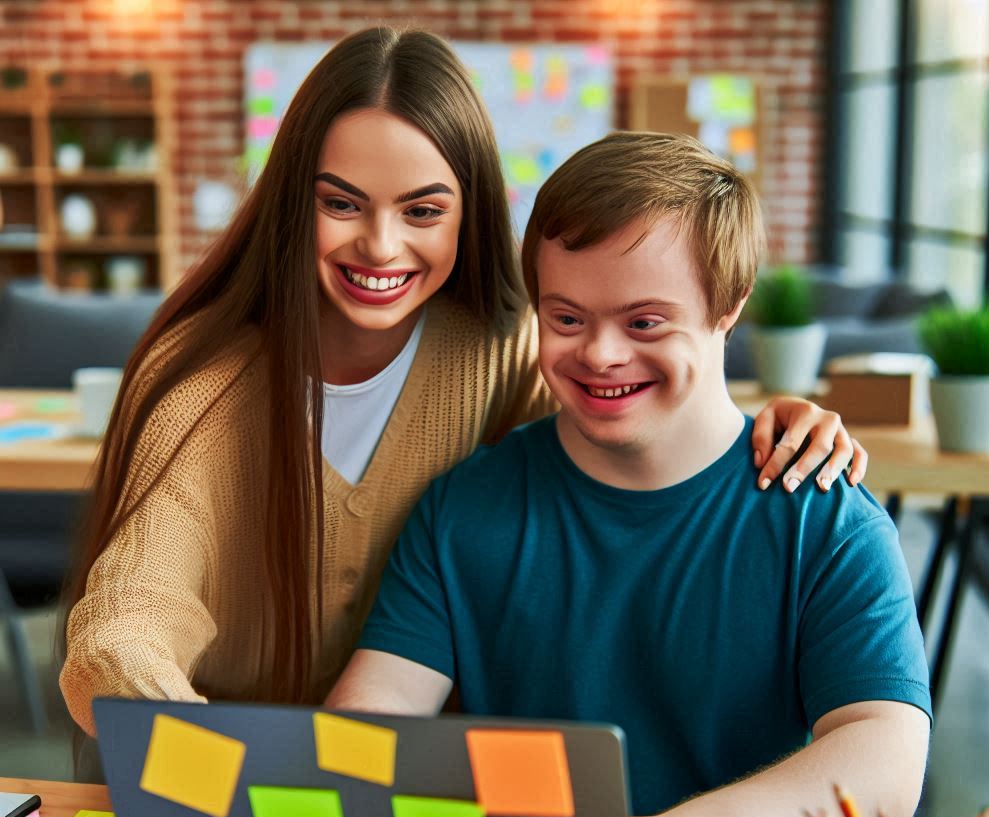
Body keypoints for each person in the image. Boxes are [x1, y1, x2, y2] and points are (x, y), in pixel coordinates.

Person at [61, 27, 864, 766]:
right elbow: (125, 625)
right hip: (203, 775)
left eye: (423, 210)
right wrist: (226, 775)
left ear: (468, 212)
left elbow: (624, 435)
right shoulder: (207, 383)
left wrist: (765, 420)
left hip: (410, 788)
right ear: (289, 203)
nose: (380, 244)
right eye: (340, 202)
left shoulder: (508, 350)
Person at [326, 131, 931, 817]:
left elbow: (885, 758)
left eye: (645, 323)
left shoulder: (825, 520)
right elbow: (369, 721)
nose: (601, 354)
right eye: (566, 317)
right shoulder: (464, 510)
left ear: (729, 304)